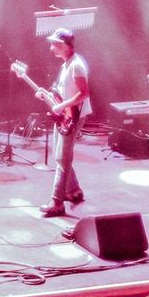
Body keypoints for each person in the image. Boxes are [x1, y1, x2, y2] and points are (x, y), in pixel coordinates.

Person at [40, 27, 90, 218]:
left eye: (56, 45)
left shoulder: (76, 65)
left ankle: (57, 202)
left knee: (62, 159)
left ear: (67, 46)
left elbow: (84, 93)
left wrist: (63, 107)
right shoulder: (65, 65)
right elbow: (60, 92)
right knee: (61, 156)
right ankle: (74, 191)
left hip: (75, 115)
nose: (52, 48)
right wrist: (44, 94)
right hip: (66, 114)